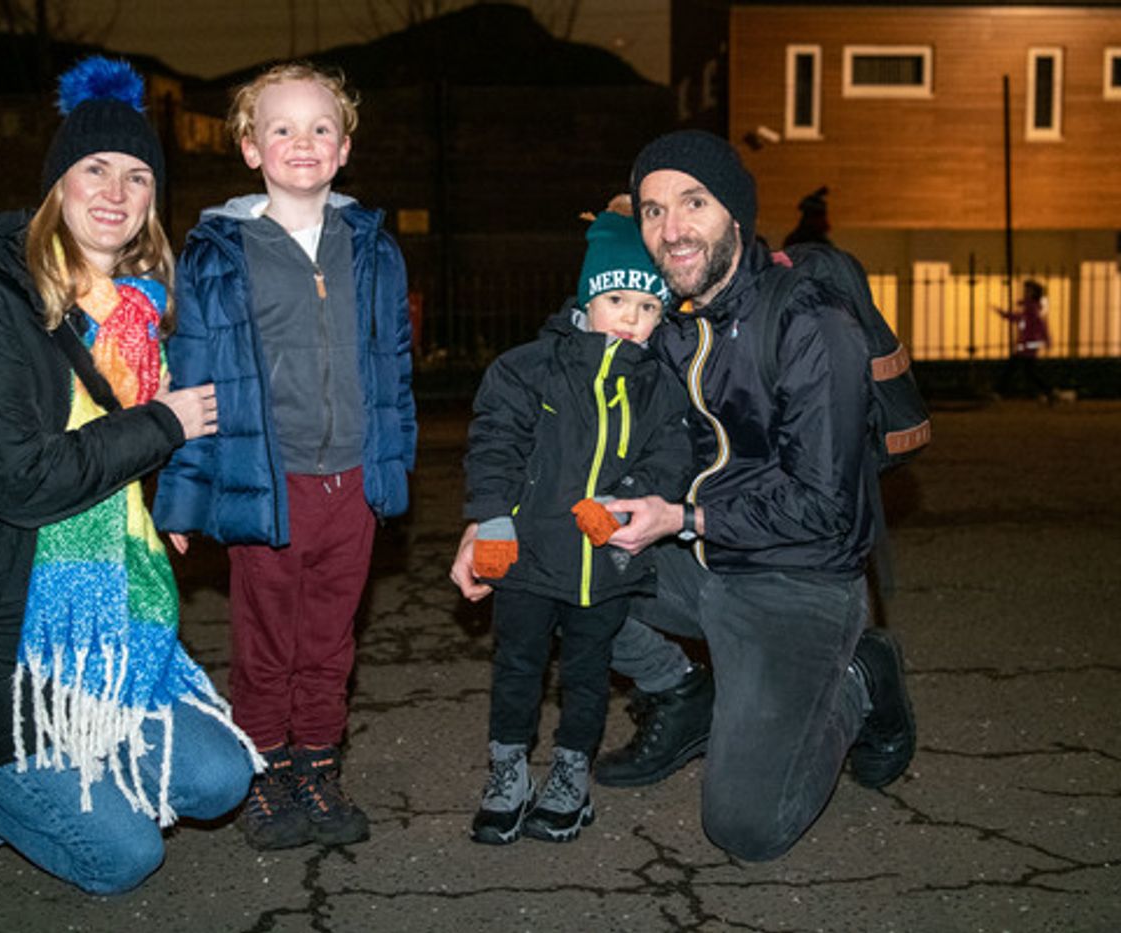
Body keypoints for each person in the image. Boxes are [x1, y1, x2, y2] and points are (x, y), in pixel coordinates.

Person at [0, 56, 259, 896]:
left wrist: (176, 497)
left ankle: (78, 744)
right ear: (56, 187)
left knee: (220, 779)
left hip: (110, 622)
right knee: (121, 859)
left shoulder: (142, 312)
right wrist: (165, 424)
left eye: (138, 176)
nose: (115, 191)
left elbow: (152, 459)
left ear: (153, 201)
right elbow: (17, 478)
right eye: (94, 170)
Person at [583, 129, 914, 861]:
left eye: (693, 203)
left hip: (799, 577)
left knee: (746, 830)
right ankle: (682, 694)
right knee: (556, 558)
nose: (672, 229)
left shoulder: (810, 322)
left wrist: (686, 516)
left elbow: (825, 508)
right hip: (703, 559)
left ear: (736, 215)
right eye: (652, 210)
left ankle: (860, 677)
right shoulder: (665, 324)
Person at [151, 62, 416, 852]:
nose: (303, 142)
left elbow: (393, 367)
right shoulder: (218, 253)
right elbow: (193, 378)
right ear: (249, 148)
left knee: (331, 640)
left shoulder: (371, 247)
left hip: (350, 487)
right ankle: (266, 773)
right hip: (266, 485)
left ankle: (317, 766)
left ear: (342, 151)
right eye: (282, 128)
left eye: (320, 128)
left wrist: (389, 470)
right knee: (266, 640)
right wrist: (183, 500)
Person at [451, 201, 690, 846]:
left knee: (588, 675)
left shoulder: (658, 385)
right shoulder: (530, 367)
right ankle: (507, 771)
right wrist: (492, 519)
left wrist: (627, 498)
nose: (634, 322)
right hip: (529, 560)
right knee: (518, 667)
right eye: (620, 303)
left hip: (607, 564)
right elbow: (495, 443)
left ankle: (570, 777)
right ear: (589, 300)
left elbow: (672, 458)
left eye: (648, 310)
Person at [994, 279, 1053, 400]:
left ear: (1033, 293)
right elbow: (1019, 318)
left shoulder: (1032, 308)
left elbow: (1039, 324)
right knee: (1028, 371)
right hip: (1026, 345)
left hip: (1028, 345)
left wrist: (1046, 339)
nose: (1025, 292)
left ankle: (999, 390)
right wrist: (1004, 314)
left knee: (1014, 368)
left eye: (1028, 290)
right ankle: (1046, 391)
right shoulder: (1030, 307)